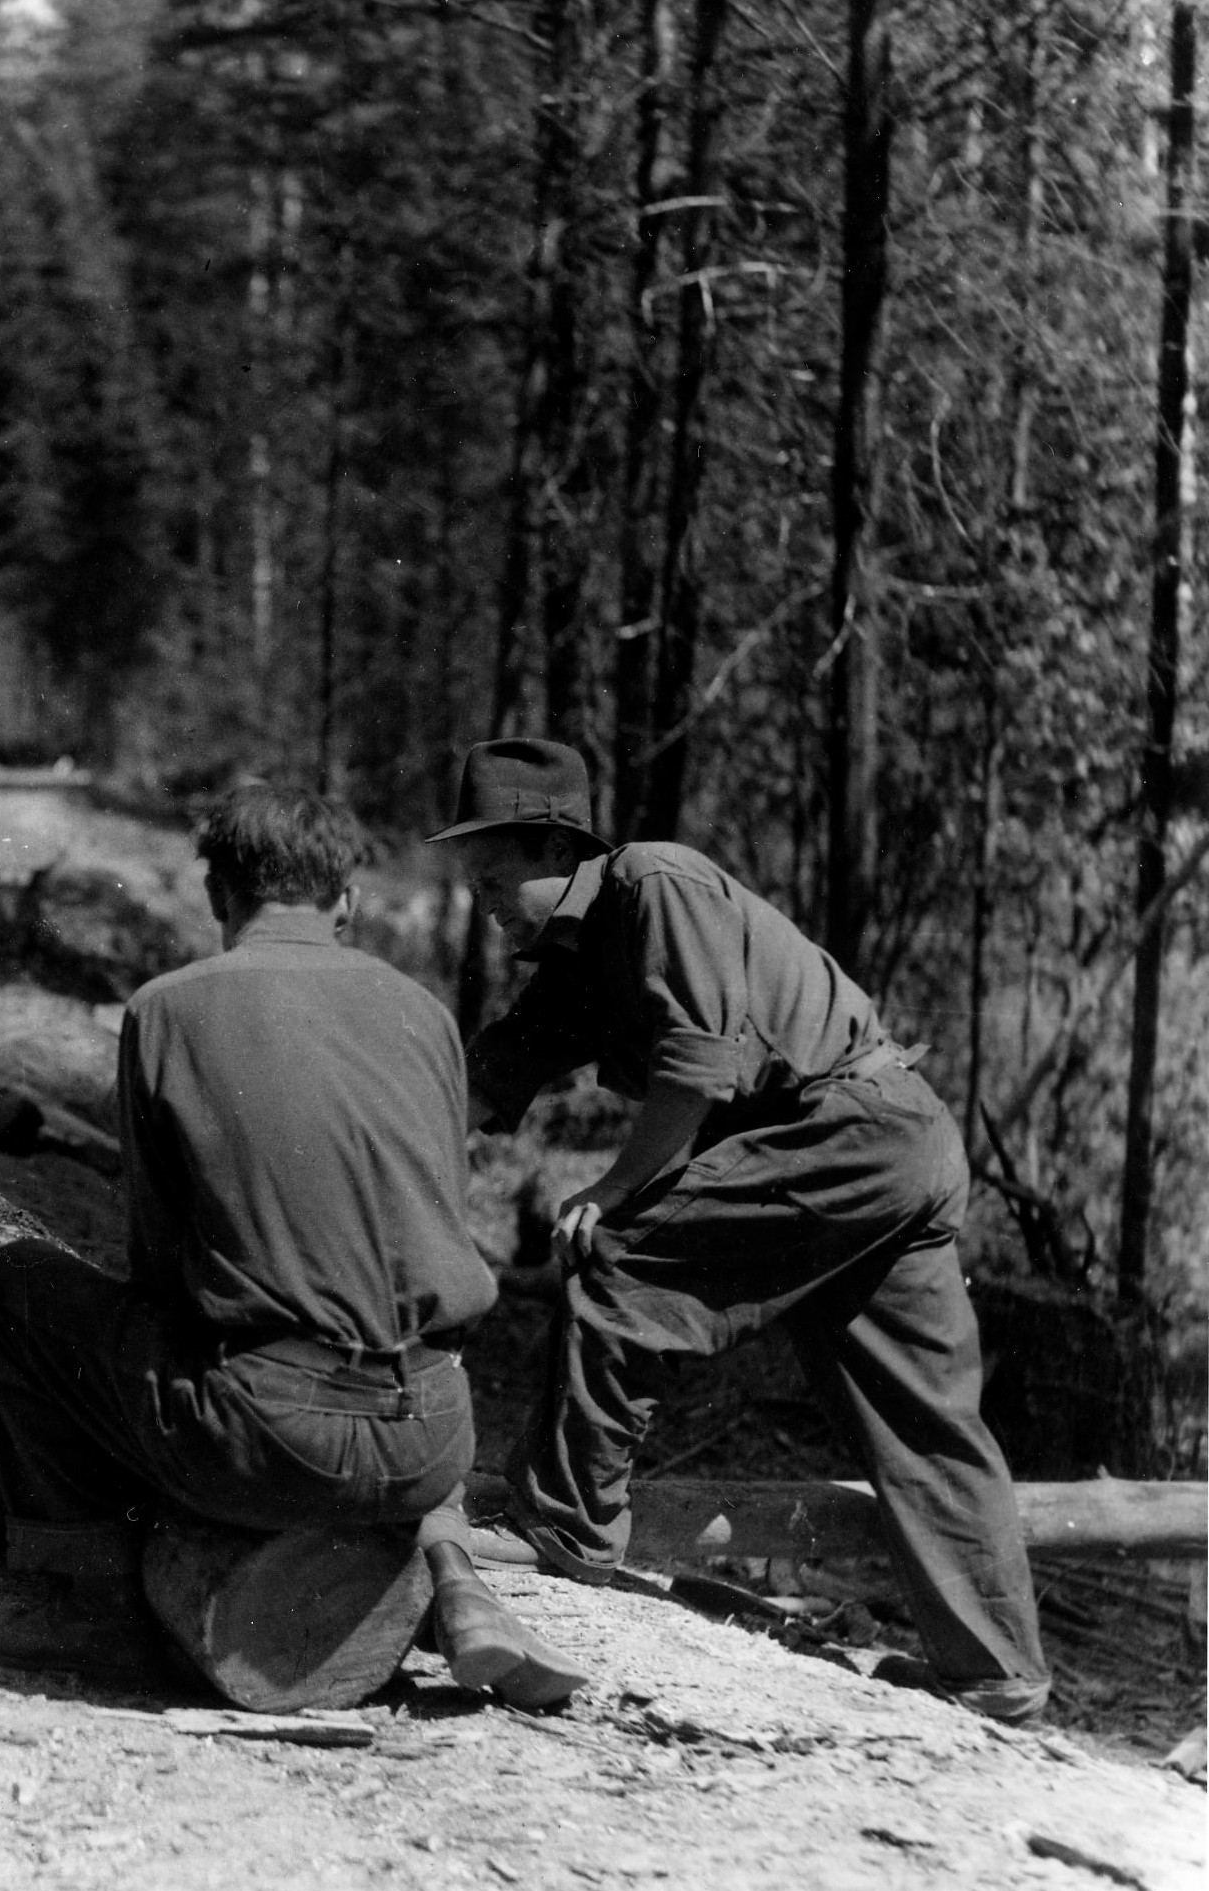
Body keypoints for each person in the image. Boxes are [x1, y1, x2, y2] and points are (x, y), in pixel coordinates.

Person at [433, 736, 1050, 1722]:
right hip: (889, 1150)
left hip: (848, 1131)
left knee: (616, 1260)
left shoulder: (652, 884)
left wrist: (613, 1187)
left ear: (557, 845)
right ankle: (996, 1672)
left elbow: (694, 1067)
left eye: (497, 876)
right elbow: (496, 1070)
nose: (486, 900)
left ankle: (564, 1529)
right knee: (920, 1415)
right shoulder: (576, 953)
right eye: (474, 882)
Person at [0, 781, 581, 1703]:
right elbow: (430, 1234)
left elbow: (161, 1272)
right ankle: (446, 1569)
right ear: (347, 901)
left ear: (219, 895)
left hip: (267, 1443)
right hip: (434, 1437)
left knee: (11, 1284)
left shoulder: (168, 1010)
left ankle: (80, 1598)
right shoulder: (424, 1016)